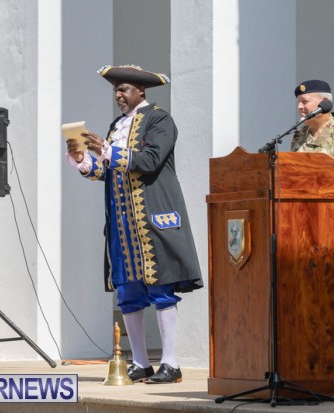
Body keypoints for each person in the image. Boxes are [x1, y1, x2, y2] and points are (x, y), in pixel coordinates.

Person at [65, 65, 204, 384]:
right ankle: (141, 362)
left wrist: (107, 150)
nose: (118, 95)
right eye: (115, 90)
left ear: (141, 91)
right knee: (128, 290)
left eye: (124, 89)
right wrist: (84, 161)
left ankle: (171, 363)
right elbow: (109, 169)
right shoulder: (116, 126)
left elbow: (151, 160)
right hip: (122, 221)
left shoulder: (159, 119)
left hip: (153, 215)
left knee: (161, 287)